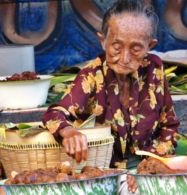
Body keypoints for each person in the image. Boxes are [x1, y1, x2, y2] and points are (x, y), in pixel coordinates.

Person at [42, 0, 179, 193]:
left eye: (136, 48)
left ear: (150, 45)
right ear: (102, 41)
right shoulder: (92, 75)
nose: (124, 58)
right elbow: (55, 113)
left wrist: (150, 166)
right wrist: (69, 132)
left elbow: (170, 126)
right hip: (105, 175)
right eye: (116, 46)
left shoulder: (154, 69)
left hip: (148, 169)